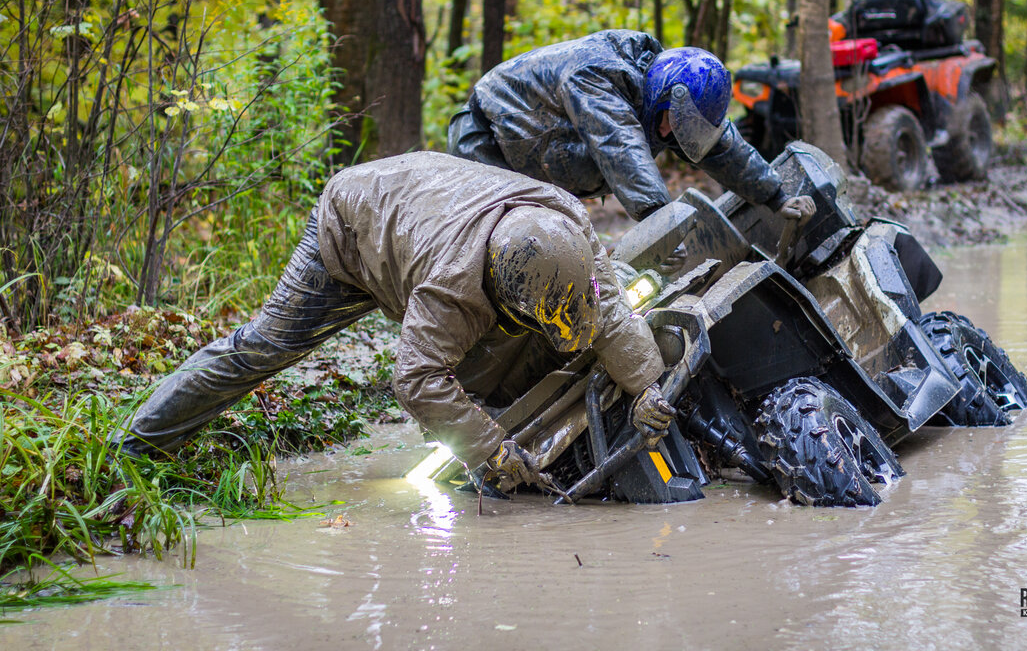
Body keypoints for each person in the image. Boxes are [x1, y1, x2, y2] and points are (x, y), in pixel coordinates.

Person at [113, 152, 676, 491]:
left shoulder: (567, 225)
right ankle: (134, 448)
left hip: (421, 206)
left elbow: (610, 312)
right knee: (261, 349)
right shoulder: (450, 290)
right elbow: (415, 380)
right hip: (352, 228)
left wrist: (647, 386)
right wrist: (494, 450)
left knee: (505, 361)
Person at [447, 30, 815, 225]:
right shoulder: (597, 73)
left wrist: (775, 196)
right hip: (487, 140)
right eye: (675, 122)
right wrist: (661, 221)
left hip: (541, 157)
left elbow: (720, 145)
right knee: (502, 243)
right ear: (663, 97)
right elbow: (619, 144)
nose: (673, 136)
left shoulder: (669, 87)